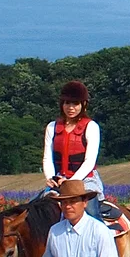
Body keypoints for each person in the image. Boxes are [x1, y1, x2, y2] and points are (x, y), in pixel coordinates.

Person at [41, 80, 106, 222]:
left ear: (83, 105)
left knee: (91, 212)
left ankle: (104, 239)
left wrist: (71, 181)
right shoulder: (52, 127)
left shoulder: (91, 127)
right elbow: (47, 158)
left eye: (75, 104)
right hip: (59, 179)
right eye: (67, 103)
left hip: (85, 180)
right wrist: (51, 178)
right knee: (33, 209)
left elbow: (89, 161)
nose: (71, 107)